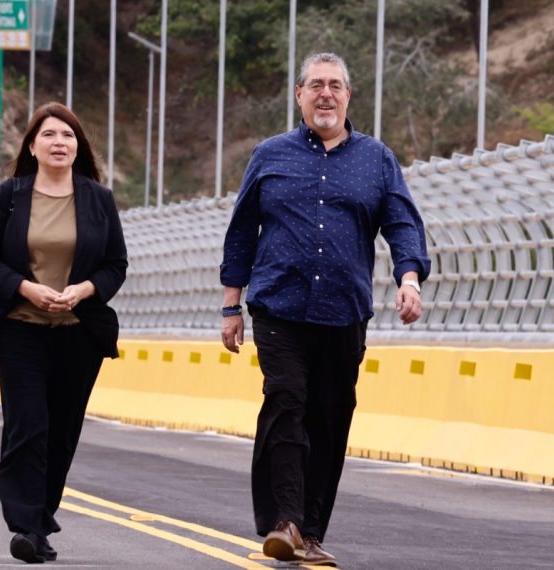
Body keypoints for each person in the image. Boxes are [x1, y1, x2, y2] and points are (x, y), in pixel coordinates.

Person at [220, 52, 430, 567]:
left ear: (348, 96)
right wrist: (232, 305)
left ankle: (310, 531)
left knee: (330, 420)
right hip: (280, 306)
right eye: (316, 84)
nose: (326, 94)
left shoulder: (377, 159)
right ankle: (285, 522)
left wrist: (409, 279)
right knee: (286, 400)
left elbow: (402, 223)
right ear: (299, 95)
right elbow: (243, 230)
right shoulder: (270, 155)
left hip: (343, 311)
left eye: (335, 85)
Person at [0, 102, 127, 564]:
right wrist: (26, 289)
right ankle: (24, 524)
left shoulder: (99, 198)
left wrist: (84, 289)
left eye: (69, 136)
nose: (60, 142)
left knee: (62, 431)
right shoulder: (10, 196)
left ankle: (40, 521)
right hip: (19, 329)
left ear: (78, 147)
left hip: (79, 332)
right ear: (33, 146)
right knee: (28, 425)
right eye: (50, 135)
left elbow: (115, 265)